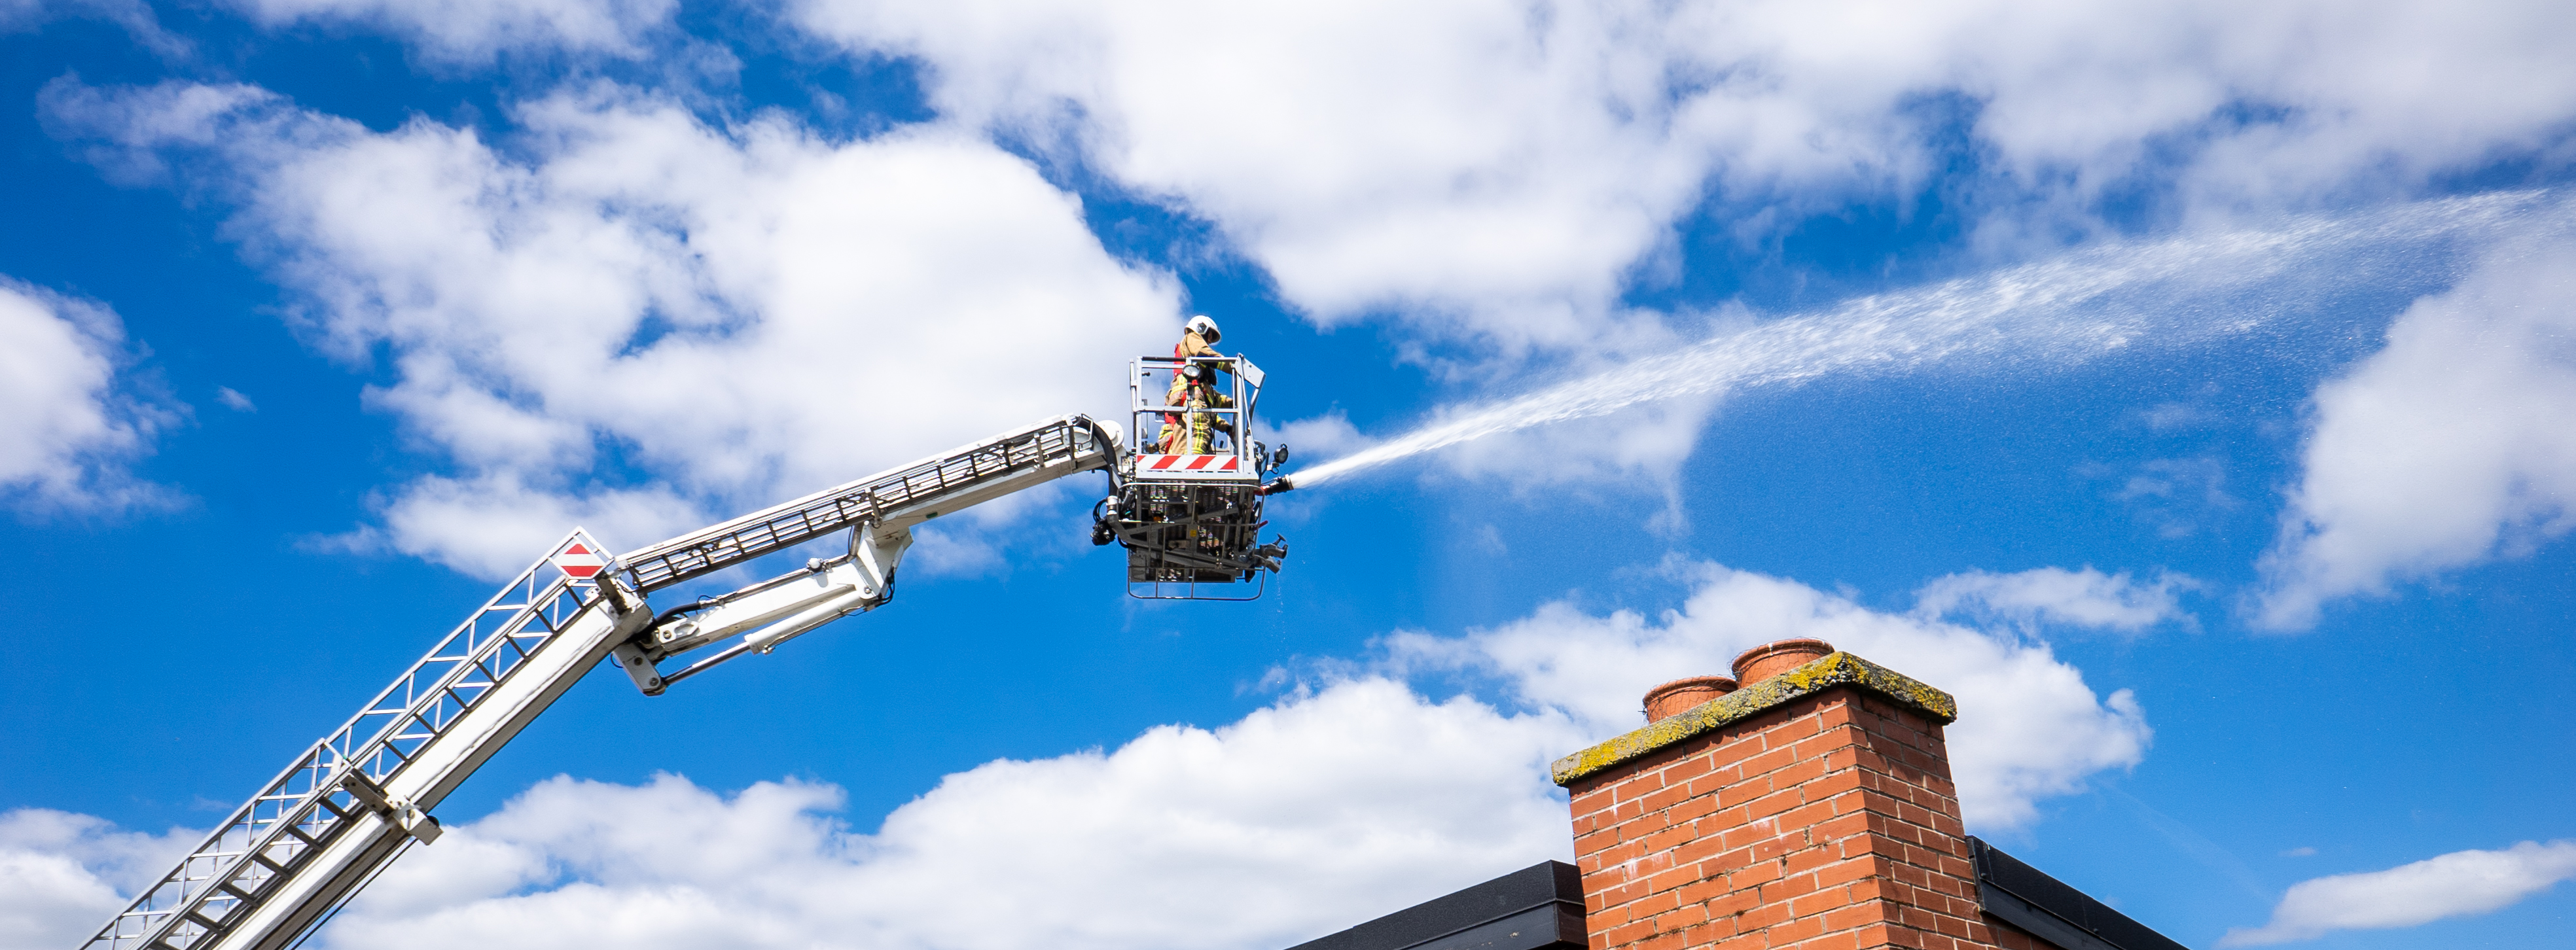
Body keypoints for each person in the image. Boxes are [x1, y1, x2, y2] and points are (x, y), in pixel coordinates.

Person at [1158, 315, 1234, 453]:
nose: (1209, 341)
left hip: (1188, 405)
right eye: (1210, 335)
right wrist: (1232, 366)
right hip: (1191, 400)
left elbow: (1210, 406)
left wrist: (1231, 408)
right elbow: (1202, 352)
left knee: (1184, 446)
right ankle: (1194, 467)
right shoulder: (1192, 339)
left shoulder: (1199, 386)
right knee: (1200, 433)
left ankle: (1185, 470)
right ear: (1201, 329)